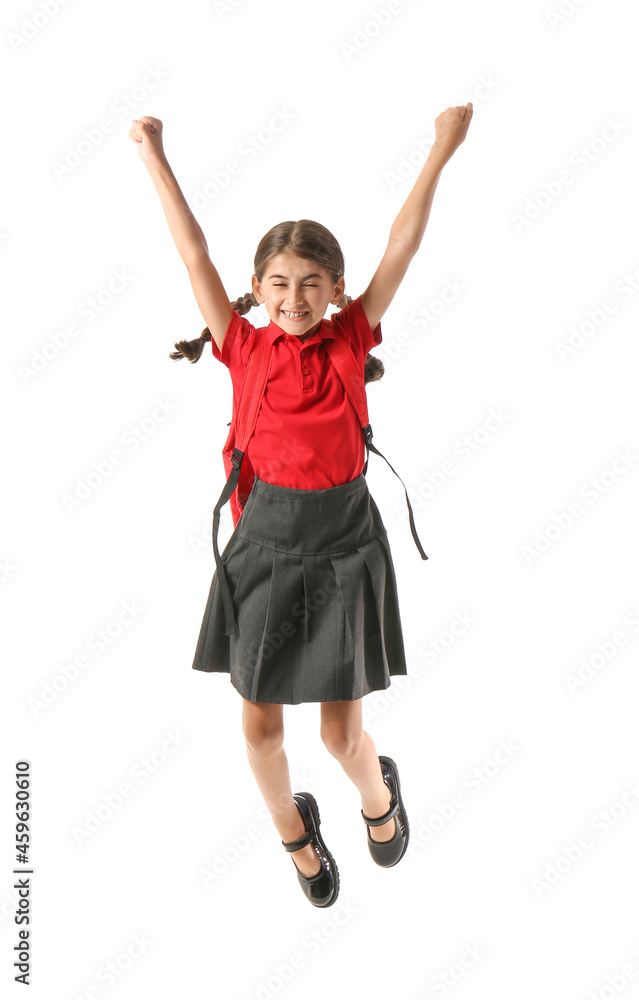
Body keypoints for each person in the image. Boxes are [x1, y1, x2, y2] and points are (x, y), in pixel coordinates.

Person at [129, 103, 473, 907]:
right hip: (265, 549)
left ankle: (377, 798)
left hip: (343, 546)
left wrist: (440, 148)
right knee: (259, 731)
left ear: (336, 290)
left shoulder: (352, 336)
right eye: (278, 284)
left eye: (311, 284)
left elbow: (403, 244)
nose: (294, 297)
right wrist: (153, 154)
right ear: (256, 290)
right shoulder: (242, 346)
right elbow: (192, 253)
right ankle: (296, 834)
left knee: (340, 735)